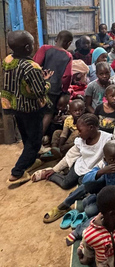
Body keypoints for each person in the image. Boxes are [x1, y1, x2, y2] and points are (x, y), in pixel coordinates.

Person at [40, 114, 112, 220]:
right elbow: (70, 155)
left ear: (91, 128)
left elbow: (105, 161)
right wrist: (55, 169)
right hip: (80, 166)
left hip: (94, 170)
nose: (78, 133)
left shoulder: (107, 140)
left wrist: (93, 173)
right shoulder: (81, 141)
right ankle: (50, 174)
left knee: (85, 183)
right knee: (65, 184)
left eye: (80, 130)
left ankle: (73, 199)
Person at [3, 30, 52, 184]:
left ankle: (31, 157)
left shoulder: (8, 60)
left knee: (25, 134)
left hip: (14, 105)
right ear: (27, 48)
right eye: (31, 44)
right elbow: (39, 91)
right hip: (31, 108)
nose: (33, 46)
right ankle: (17, 172)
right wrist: (47, 81)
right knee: (35, 139)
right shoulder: (32, 67)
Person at [33, 30, 73, 136]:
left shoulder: (45, 48)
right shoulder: (68, 55)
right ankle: (39, 138)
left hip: (39, 86)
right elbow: (67, 76)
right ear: (69, 44)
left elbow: (35, 65)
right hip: (54, 88)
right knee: (48, 113)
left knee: (37, 111)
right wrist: (64, 90)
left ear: (56, 39)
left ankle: (32, 137)